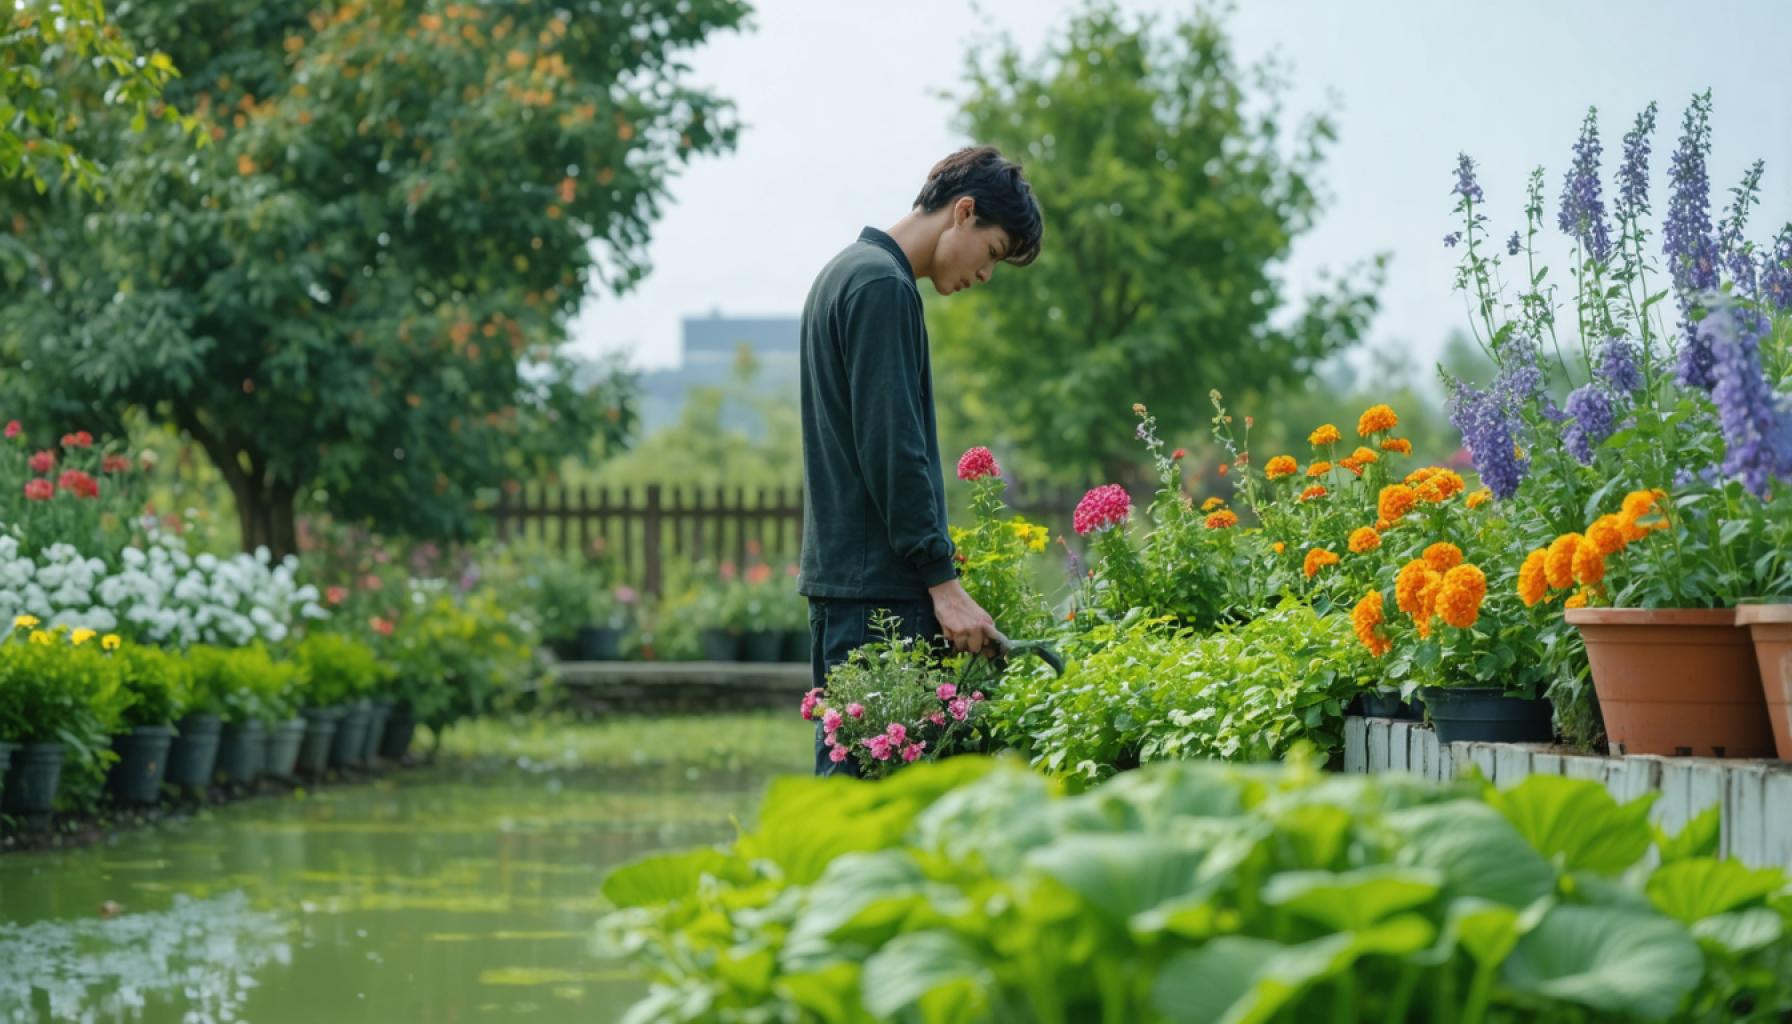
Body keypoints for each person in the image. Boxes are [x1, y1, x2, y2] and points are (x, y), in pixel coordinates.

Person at [796, 145, 1044, 777]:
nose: (985, 276)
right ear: (964, 212)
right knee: (871, 810)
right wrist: (944, 586)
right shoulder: (881, 286)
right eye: (991, 254)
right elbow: (894, 448)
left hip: (845, 589)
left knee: (850, 801)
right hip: (878, 595)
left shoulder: (844, 272)